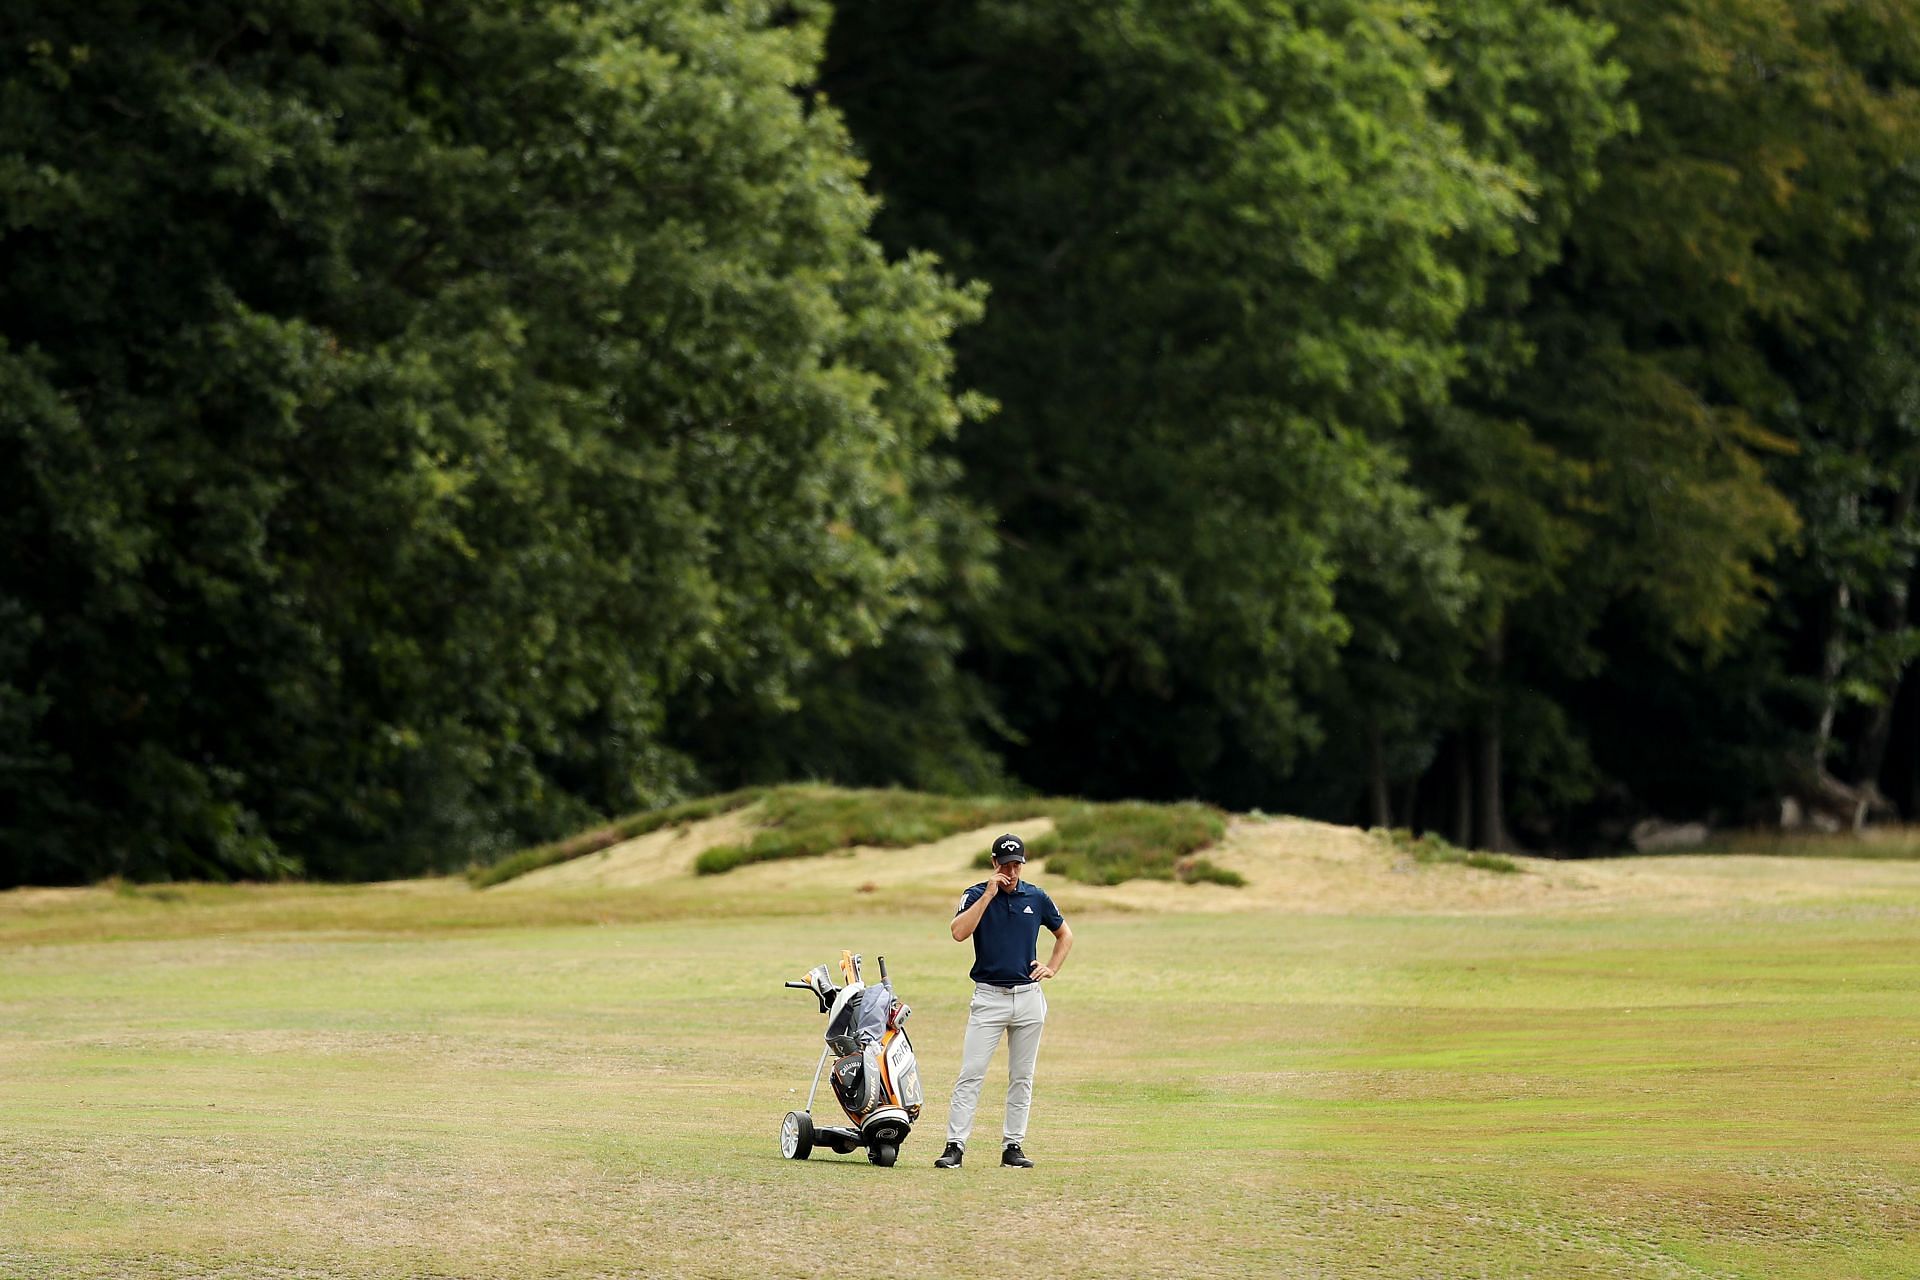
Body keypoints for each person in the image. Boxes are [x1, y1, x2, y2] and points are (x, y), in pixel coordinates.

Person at [932, 832, 1074, 1169]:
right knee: (972, 1074)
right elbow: (958, 932)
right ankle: (955, 1146)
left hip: (1028, 998)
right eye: (1006, 865)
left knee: (1022, 1076)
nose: (1012, 873)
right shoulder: (976, 894)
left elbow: (1065, 934)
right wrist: (990, 894)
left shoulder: (1036, 897)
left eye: (1017, 866)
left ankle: (1013, 1146)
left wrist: (1051, 967)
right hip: (988, 998)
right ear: (994, 863)